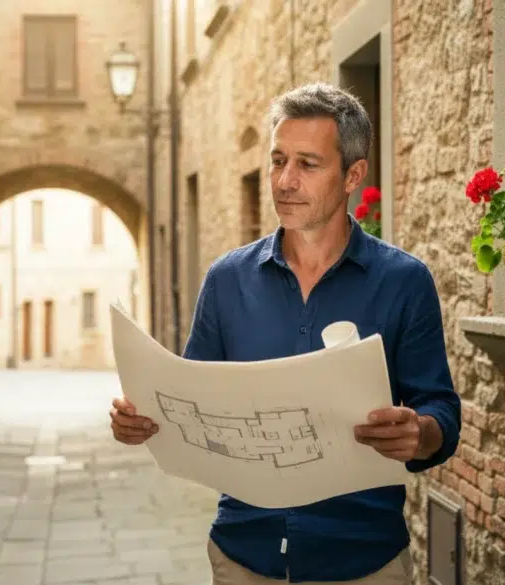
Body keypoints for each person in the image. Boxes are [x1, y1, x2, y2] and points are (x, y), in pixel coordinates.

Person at [109, 82, 461, 585]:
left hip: (364, 561)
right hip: (242, 556)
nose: (284, 181)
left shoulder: (404, 282)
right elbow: (187, 403)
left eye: (307, 164)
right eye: (278, 161)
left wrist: (420, 432)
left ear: (353, 175)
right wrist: (141, 419)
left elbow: (441, 410)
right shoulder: (226, 281)